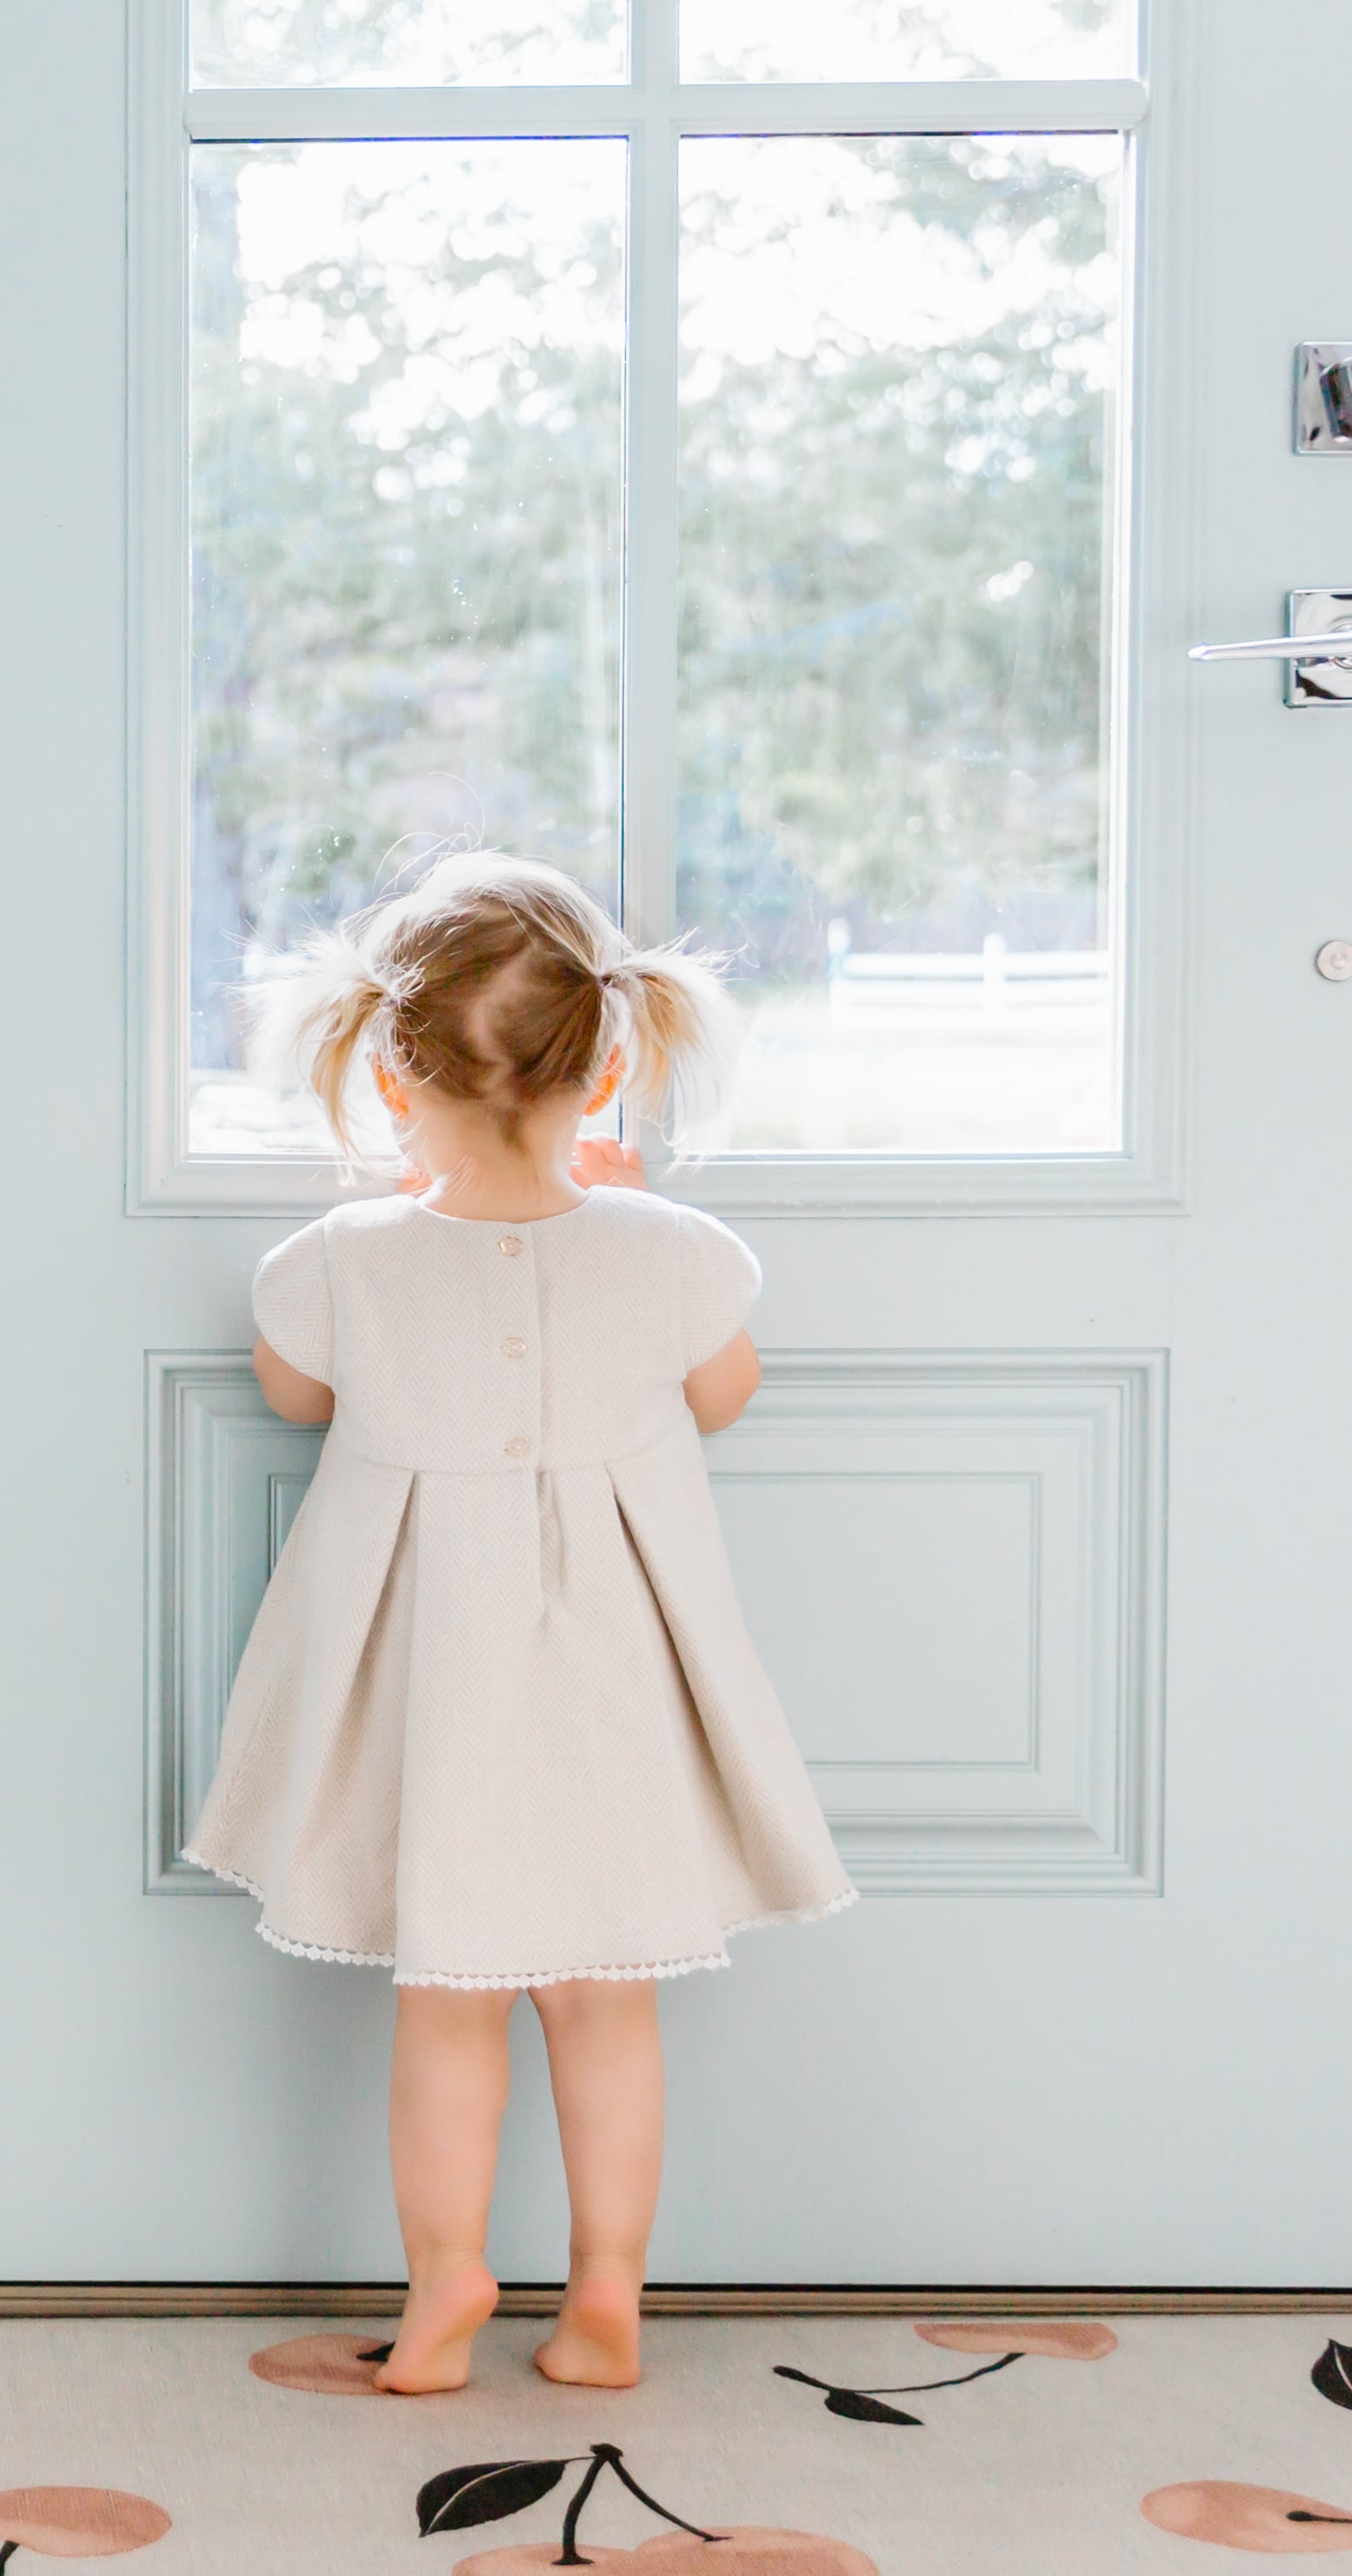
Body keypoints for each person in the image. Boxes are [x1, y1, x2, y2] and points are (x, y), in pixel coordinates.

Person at [187, 853, 850, 2394]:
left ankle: (442, 2290)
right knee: (604, 2012)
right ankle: (606, 2297)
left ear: (384, 1064)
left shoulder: (340, 1260)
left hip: (435, 1696)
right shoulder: (669, 1251)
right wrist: (607, 1222)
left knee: (449, 2012)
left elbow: (298, 1393)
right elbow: (723, 1396)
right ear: (611, 1062)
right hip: (614, 1685)